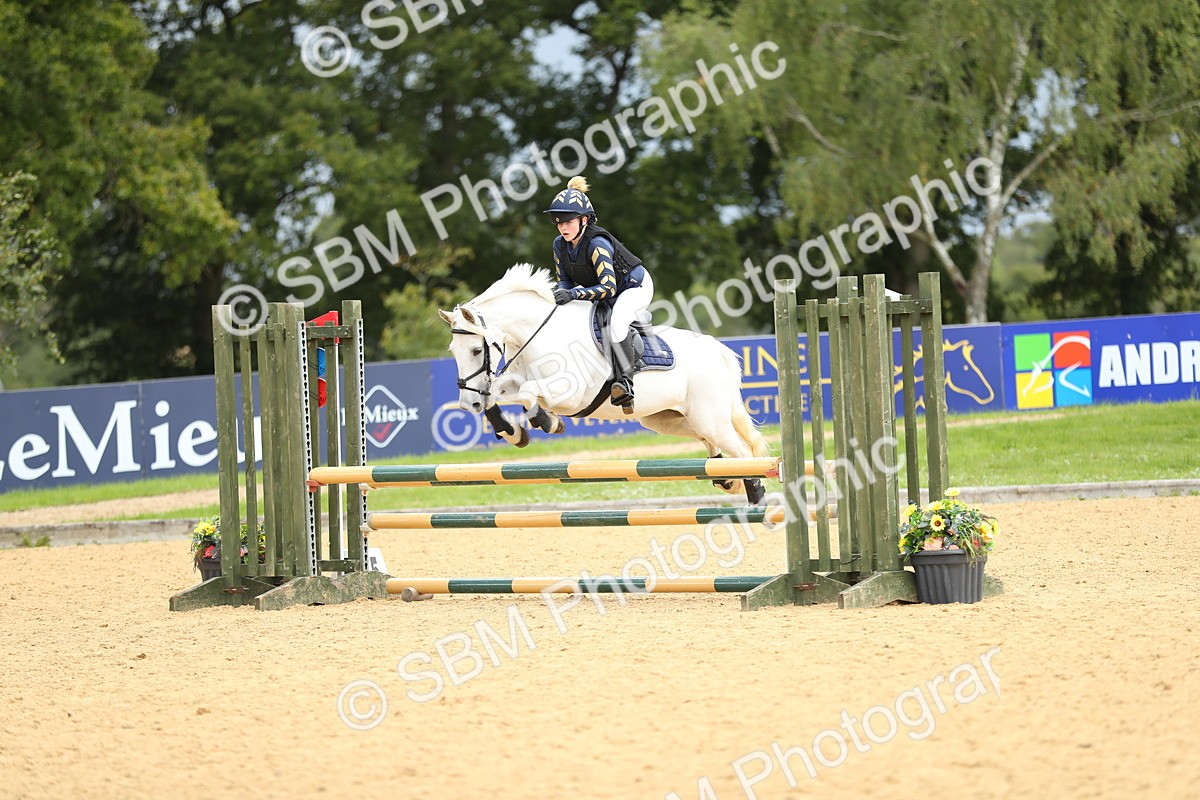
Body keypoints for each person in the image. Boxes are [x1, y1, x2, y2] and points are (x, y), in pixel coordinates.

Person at [543, 176, 654, 412]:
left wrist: (572, 295)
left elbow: (608, 288)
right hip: (603, 291)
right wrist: (562, 295)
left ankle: (624, 384)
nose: (563, 227)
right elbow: (563, 280)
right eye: (558, 222)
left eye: (568, 221)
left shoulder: (597, 244)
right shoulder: (559, 245)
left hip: (633, 287)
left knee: (617, 323)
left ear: (584, 220)